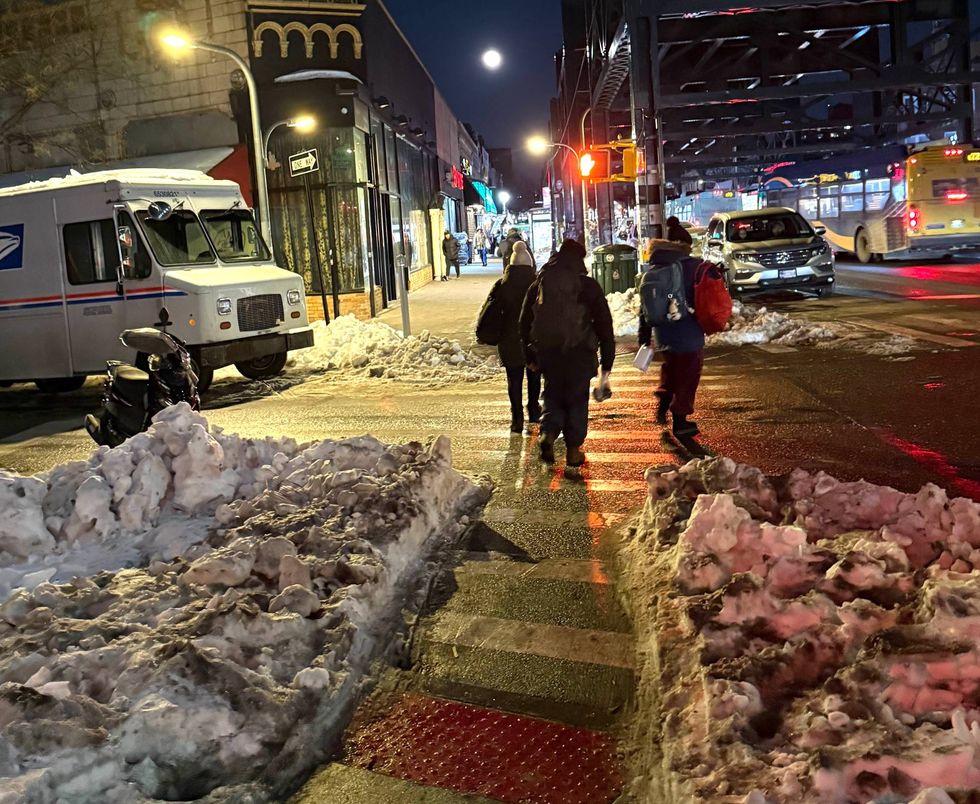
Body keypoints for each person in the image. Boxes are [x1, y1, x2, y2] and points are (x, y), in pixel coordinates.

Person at [520, 239, 615, 468]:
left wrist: (530, 356)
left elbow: (524, 321)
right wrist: (607, 361)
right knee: (576, 402)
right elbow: (604, 324)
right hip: (580, 353)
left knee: (553, 395)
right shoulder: (587, 285)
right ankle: (573, 452)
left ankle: (548, 434)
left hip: (549, 354)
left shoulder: (540, 283)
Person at [638, 240, 705, 438]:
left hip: (663, 332)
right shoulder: (689, 267)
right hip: (688, 330)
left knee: (672, 369)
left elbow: (644, 308)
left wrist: (644, 336)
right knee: (688, 375)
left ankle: (664, 402)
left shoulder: (653, 270)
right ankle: (681, 421)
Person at [477, 240, 541, 433]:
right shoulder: (537, 285)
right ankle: (533, 409)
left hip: (509, 340)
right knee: (534, 376)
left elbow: (489, 309)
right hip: (532, 339)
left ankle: (517, 418)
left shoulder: (502, 285)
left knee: (514, 380)